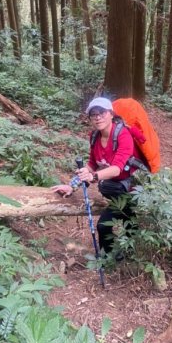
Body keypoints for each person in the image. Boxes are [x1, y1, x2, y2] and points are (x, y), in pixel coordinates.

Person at [52, 97, 142, 255]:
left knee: (106, 224)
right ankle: (115, 256)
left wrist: (93, 177)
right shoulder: (95, 137)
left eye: (102, 112)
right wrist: (72, 185)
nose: (98, 117)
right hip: (115, 189)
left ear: (111, 114)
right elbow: (92, 164)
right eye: (93, 114)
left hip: (131, 189)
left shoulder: (123, 134)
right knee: (123, 220)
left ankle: (121, 257)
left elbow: (116, 169)